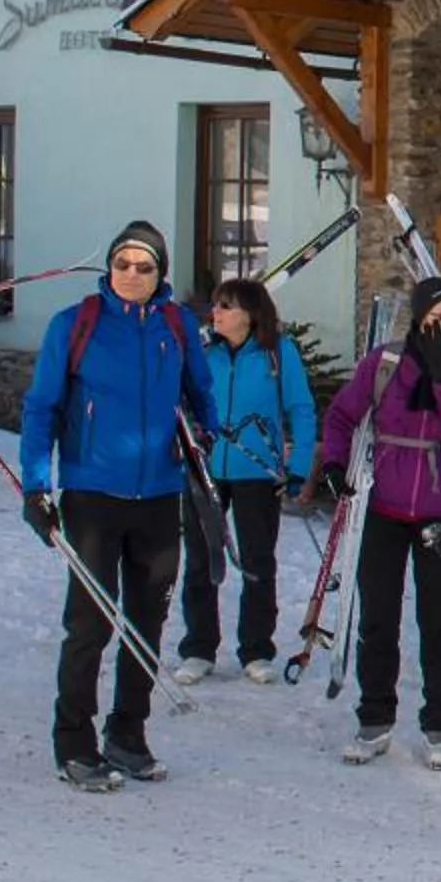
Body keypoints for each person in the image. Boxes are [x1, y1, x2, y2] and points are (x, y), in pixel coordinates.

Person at [17, 222, 215, 790]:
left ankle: (127, 735)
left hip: (159, 495)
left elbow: (201, 395)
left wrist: (203, 436)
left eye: (143, 266)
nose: (131, 274)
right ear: (109, 268)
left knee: (147, 622)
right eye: (122, 263)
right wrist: (37, 487)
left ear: (160, 274)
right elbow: (41, 409)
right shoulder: (75, 324)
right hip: (93, 494)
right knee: (90, 624)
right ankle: (74, 744)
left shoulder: (177, 325)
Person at [310, 274, 441, 770]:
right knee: (378, 618)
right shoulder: (386, 362)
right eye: (440, 316)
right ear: (419, 318)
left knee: (440, 621)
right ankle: (374, 718)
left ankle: (440, 723)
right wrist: (335, 463)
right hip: (384, 505)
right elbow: (342, 415)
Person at [174, 275, 315, 685]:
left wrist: (299, 465)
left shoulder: (278, 353)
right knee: (201, 560)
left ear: (250, 315)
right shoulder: (203, 351)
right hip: (204, 469)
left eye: (226, 306)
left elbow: (301, 408)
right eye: (215, 304)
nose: (215, 313)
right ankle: (198, 648)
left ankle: (256, 649)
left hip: (257, 472)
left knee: (257, 561)